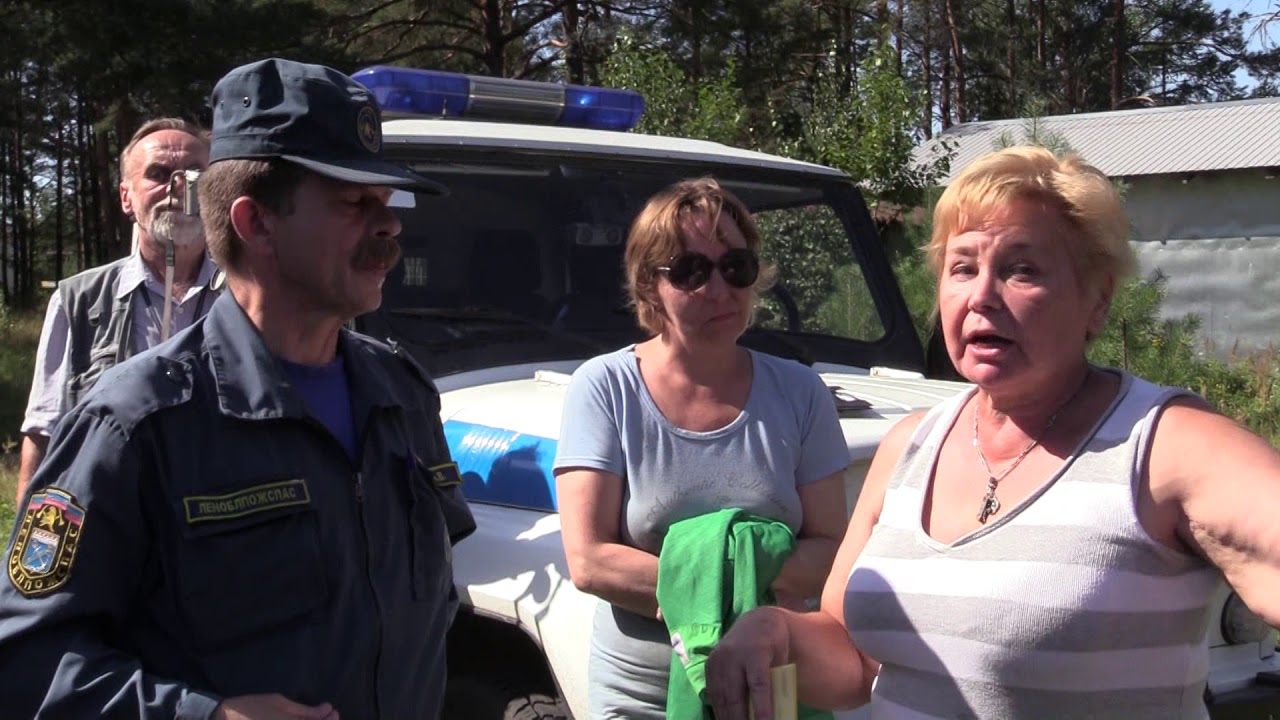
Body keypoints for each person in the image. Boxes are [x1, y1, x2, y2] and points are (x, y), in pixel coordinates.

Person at [703, 145, 1280, 720]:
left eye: (1021, 269)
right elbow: (857, 660)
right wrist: (775, 631)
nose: (981, 296)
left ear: (1097, 299)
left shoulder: (1164, 446)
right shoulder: (910, 446)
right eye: (963, 268)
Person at [0, 57, 475, 719]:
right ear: (256, 224)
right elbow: (26, 660)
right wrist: (207, 715)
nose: (389, 224)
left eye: (386, 202)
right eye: (353, 202)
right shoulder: (137, 423)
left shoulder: (402, 394)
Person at [553, 177, 851, 719]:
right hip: (641, 696)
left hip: (774, 689)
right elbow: (590, 560)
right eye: (691, 271)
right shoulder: (605, 388)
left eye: (735, 267)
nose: (718, 289)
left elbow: (833, 550)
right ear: (649, 285)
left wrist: (707, 582)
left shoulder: (801, 392)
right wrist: (741, 582)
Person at [16, 117, 221, 504]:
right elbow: (44, 433)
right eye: (158, 174)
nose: (178, 187)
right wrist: (29, 533)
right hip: (113, 517)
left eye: (194, 174)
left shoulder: (250, 296)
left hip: (221, 521)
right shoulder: (78, 300)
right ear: (127, 197)